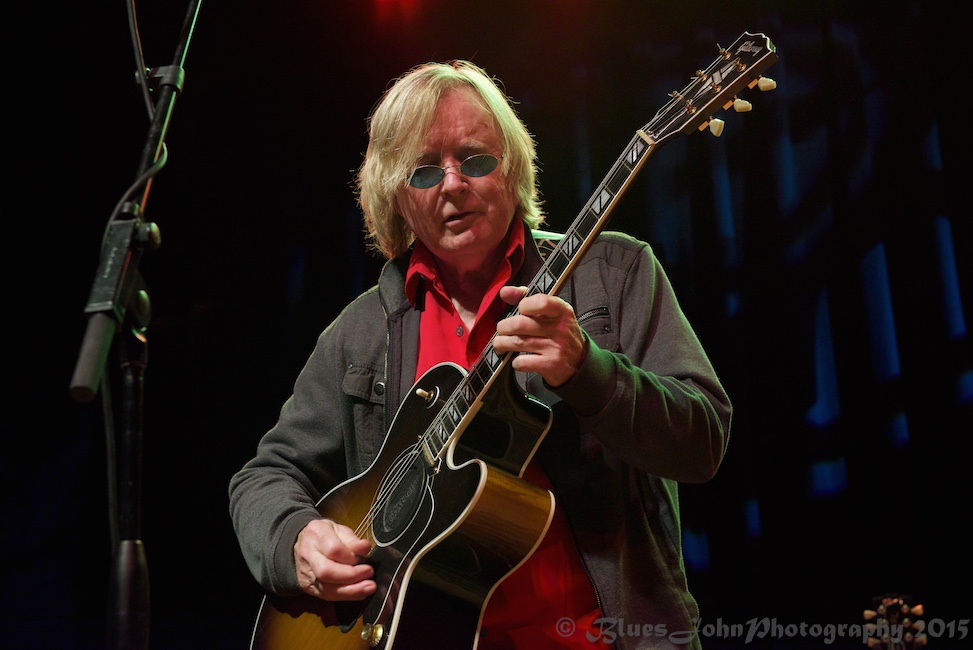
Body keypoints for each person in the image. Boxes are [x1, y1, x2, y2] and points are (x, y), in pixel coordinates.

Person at [229, 59, 732, 649]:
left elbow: (703, 442)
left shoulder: (613, 274)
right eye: (423, 171)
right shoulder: (360, 332)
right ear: (394, 194)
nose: (452, 184)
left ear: (511, 168)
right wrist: (295, 540)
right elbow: (263, 476)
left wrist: (588, 370)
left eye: (474, 160)